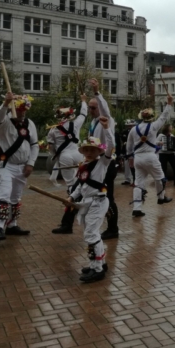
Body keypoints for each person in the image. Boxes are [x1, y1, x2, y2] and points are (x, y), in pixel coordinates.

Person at [52, 79, 118, 241]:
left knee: (108, 197)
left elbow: (105, 111)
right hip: (91, 163)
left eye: (93, 107)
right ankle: (67, 223)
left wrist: (97, 91)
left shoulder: (107, 121)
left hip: (105, 164)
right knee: (76, 190)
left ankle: (113, 228)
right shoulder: (94, 122)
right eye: (89, 107)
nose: (90, 110)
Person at [67, 116, 114, 283]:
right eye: (86, 150)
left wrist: (107, 128)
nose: (88, 153)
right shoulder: (84, 166)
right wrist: (71, 197)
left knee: (91, 234)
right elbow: (81, 185)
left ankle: (97, 269)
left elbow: (111, 145)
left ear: (99, 151)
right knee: (92, 233)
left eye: (92, 150)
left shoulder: (103, 163)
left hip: (98, 201)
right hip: (87, 202)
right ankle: (98, 261)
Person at [0, 93, 38, 241]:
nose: (22, 112)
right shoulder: (4, 122)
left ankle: (12, 225)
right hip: (6, 165)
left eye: (24, 109)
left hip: (22, 167)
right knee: (4, 195)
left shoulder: (30, 123)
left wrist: (31, 163)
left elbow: (34, 145)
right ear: (13, 109)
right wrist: (5, 103)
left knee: (16, 197)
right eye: (18, 109)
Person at [127, 99, 173, 218]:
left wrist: (130, 158)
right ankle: (161, 198)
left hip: (138, 158)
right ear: (151, 117)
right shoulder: (153, 126)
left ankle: (137, 208)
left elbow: (129, 146)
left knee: (138, 183)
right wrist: (169, 103)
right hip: (150, 157)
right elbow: (163, 117)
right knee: (160, 177)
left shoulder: (133, 129)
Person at [47, 97, 87, 191]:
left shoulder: (53, 130)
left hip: (64, 156)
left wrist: (55, 155)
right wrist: (83, 101)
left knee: (70, 183)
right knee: (81, 179)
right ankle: (79, 197)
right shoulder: (76, 124)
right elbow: (83, 114)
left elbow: (51, 146)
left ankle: (71, 199)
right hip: (78, 154)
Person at [121, 120, 136, 185]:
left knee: (134, 166)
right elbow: (122, 140)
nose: (129, 126)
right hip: (126, 150)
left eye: (131, 125)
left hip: (134, 151)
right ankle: (127, 179)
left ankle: (135, 180)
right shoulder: (124, 132)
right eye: (128, 125)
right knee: (127, 165)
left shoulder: (136, 132)